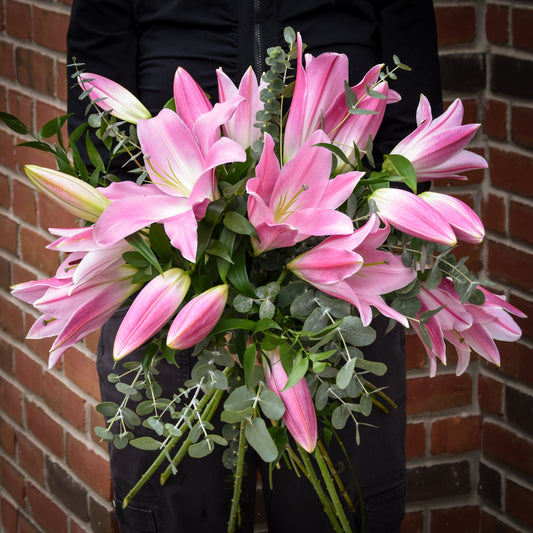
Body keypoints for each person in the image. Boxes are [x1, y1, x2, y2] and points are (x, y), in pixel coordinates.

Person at [67, 2, 442, 531]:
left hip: (338, 292)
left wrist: (301, 261)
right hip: (170, 299)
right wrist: (206, 256)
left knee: (342, 512)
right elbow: (96, 136)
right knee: (178, 516)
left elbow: (406, 146)